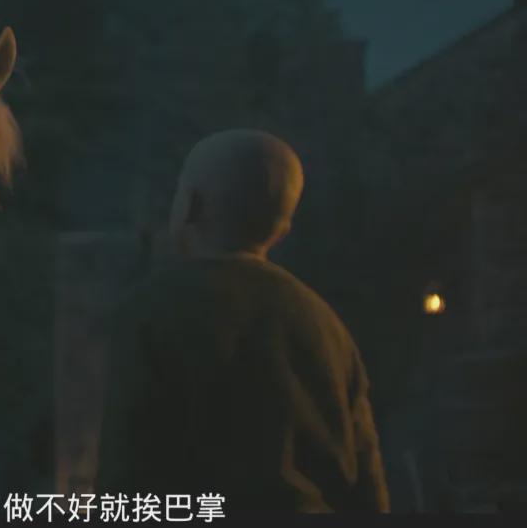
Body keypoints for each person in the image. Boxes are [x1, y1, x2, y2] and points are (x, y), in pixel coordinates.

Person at [97, 129, 390, 512]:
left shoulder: (150, 311)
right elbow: (368, 485)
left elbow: (127, 472)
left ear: (190, 206)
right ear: (282, 229)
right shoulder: (327, 326)